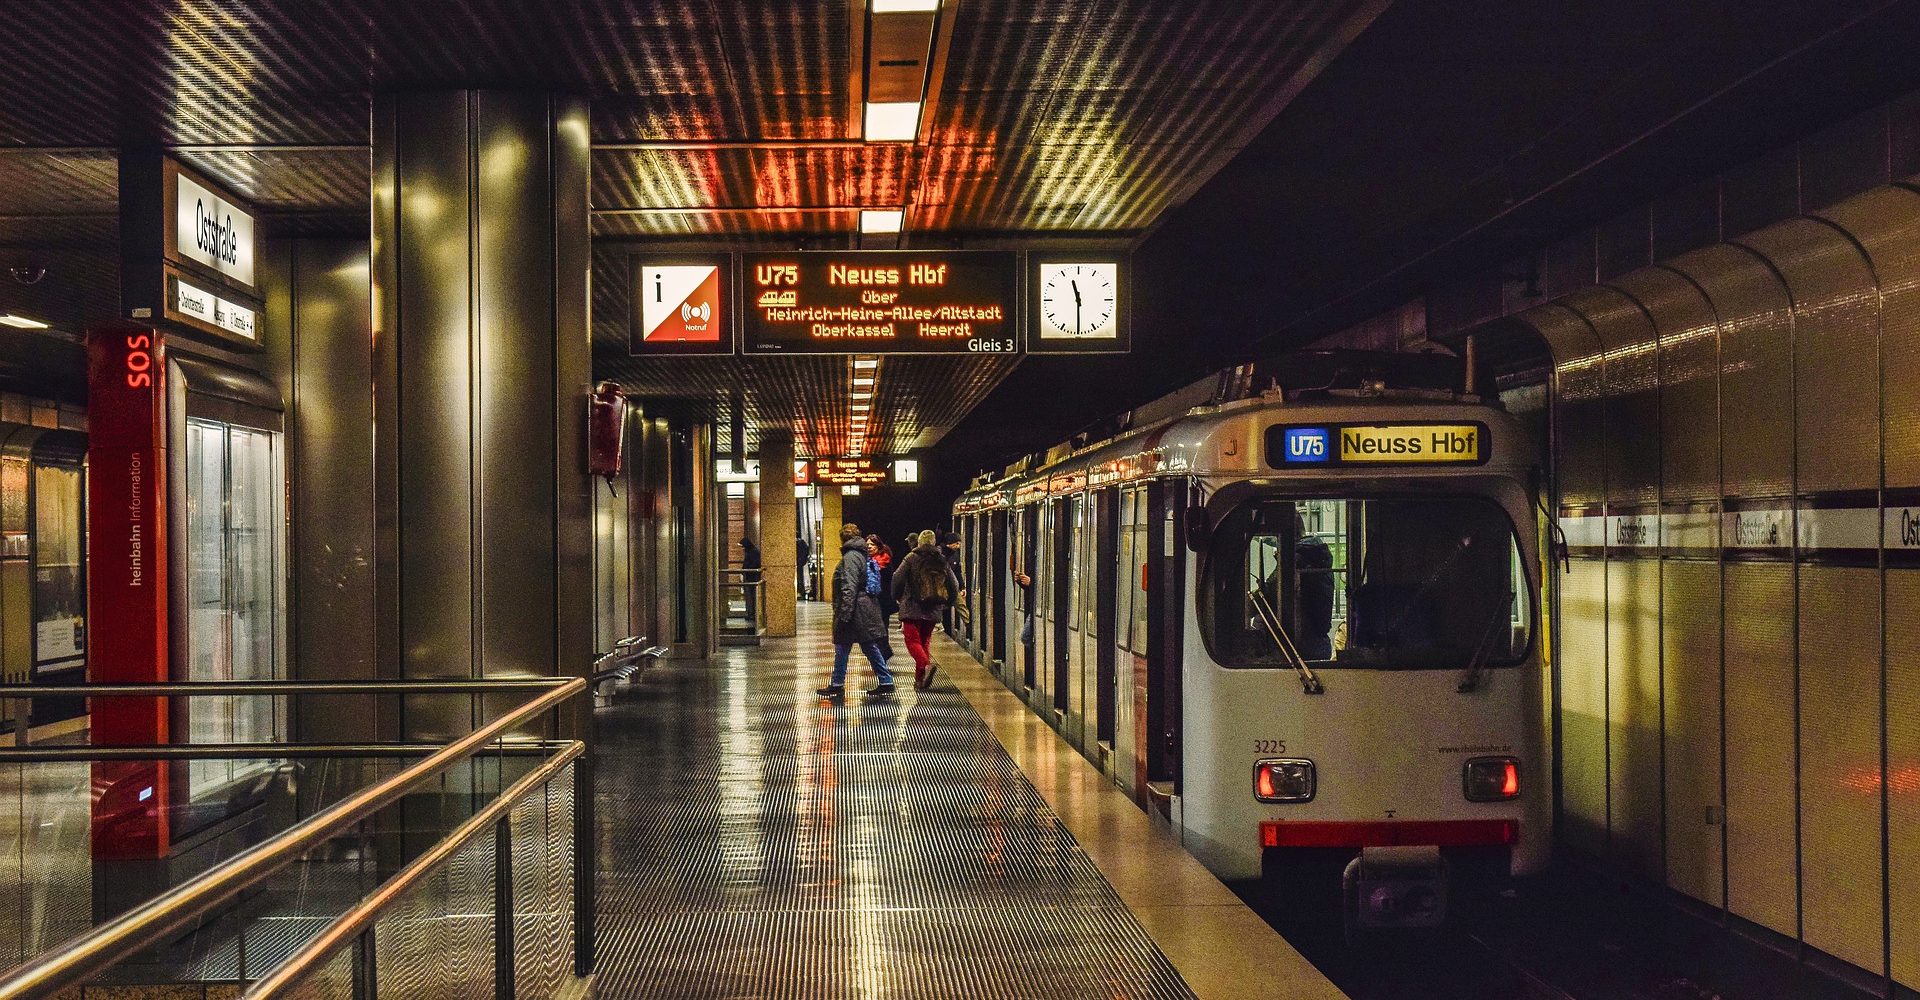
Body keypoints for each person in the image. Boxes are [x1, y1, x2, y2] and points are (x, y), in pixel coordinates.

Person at [819, 523, 894, 698]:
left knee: (844, 646)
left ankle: (838, 683)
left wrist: (844, 613)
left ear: (843, 539)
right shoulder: (861, 554)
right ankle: (885, 680)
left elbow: (849, 586)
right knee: (865, 646)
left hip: (855, 609)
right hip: (862, 607)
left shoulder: (851, 557)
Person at [894, 529, 963, 689]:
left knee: (912, 640)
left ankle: (925, 665)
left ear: (919, 542)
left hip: (912, 607)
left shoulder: (911, 558)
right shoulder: (941, 559)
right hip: (933, 608)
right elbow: (954, 584)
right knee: (924, 642)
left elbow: (897, 578)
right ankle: (920, 680)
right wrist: (947, 603)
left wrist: (897, 597)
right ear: (934, 542)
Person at [868, 535, 898, 660]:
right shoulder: (867, 560)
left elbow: (890, 580)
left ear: (878, 546)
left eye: (872, 544)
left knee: (881, 627)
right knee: (877, 628)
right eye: (868, 544)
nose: (869, 547)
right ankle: (883, 653)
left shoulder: (885, 560)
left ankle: (884, 653)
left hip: (883, 600)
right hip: (872, 600)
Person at [941, 531, 967, 637]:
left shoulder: (955, 555)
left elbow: (958, 572)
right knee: (943, 609)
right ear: (950, 543)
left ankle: (968, 629)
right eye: (957, 543)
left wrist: (962, 587)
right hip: (941, 587)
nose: (958, 546)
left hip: (952, 587)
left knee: (961, 606)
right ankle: (945, 631)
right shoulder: (940, 553)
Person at [796, 534, 812, 600]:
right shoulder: (802, 543)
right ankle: (801, 591)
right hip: (800, 563)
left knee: (799, 577)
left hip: (798, 562)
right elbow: (806, 552)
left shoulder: (799, 543)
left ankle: (799, 591)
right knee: (800, 577)